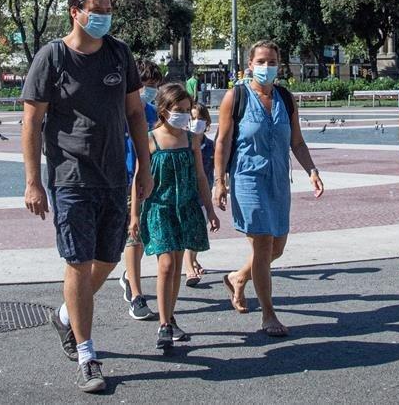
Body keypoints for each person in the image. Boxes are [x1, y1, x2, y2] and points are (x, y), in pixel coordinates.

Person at [20, 0, 154, 394]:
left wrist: (144, 168)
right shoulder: (53, 57)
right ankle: (87, 354)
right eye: (97, 10)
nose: (105, 17)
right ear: (75, 11)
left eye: (109, 10)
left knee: (109, 258)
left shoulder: (119, 53)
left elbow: (135, 113)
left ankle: (65, 315)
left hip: (114, 174)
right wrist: (33, 182)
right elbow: (32, 123)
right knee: (78, 261)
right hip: (70, 175)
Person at [214, 40, 325, 337]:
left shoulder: (285, 99)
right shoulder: (235, 97)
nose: (267, 66)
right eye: (261, 61)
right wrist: (219, 181)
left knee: (277, 247)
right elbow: (222, 142)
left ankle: (238, 277)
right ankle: (268, 314)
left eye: (272, 61)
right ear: (249, 64)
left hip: (278, 180)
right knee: (262, 244)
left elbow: (297, 142)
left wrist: (312, 170)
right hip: (247, 177)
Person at [136, 84, 219, 349]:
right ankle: (163, 325)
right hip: (160, 208)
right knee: (167, 266)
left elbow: (200, 175)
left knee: (177, 264)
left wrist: (210, 208)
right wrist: (133, 217)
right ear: (163, 110)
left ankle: (169, 317)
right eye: (178, 110)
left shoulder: (190, 138)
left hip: (185, 208)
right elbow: (138, 180)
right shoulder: (151, 139)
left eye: (187, 110)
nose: (184, 115)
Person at [119, 59, 161, 322]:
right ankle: (136, 294)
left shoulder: (152, 113)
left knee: (141, 233)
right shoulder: (117, 109)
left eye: (155, 86)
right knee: (132, 234)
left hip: (146, 176)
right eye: (146, 85)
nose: (150, 90)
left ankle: (130, 278)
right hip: (121, 176)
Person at [184, 103, 215, 286]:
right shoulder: (184, 143)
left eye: (200, 119)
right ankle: (189, 269)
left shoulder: (210, 146)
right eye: (193, 118)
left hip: (204, 194)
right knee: (191, 231)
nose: (196, 122)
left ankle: (193, 260)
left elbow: (217, 168)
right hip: (187, 194)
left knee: (199, 230)